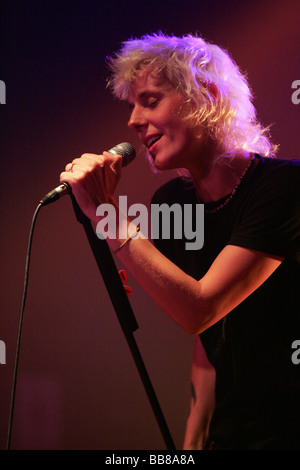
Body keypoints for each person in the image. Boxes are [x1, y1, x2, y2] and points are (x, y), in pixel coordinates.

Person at [60, 33, 300, 450]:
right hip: (234, 433)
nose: (133, 121)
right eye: (132, 106)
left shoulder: (284, 187)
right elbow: (212, 340)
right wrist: (192, 443)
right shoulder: (173, 202)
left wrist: (108, 214)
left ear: (203, 96)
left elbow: (201, 307)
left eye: (150, 101)